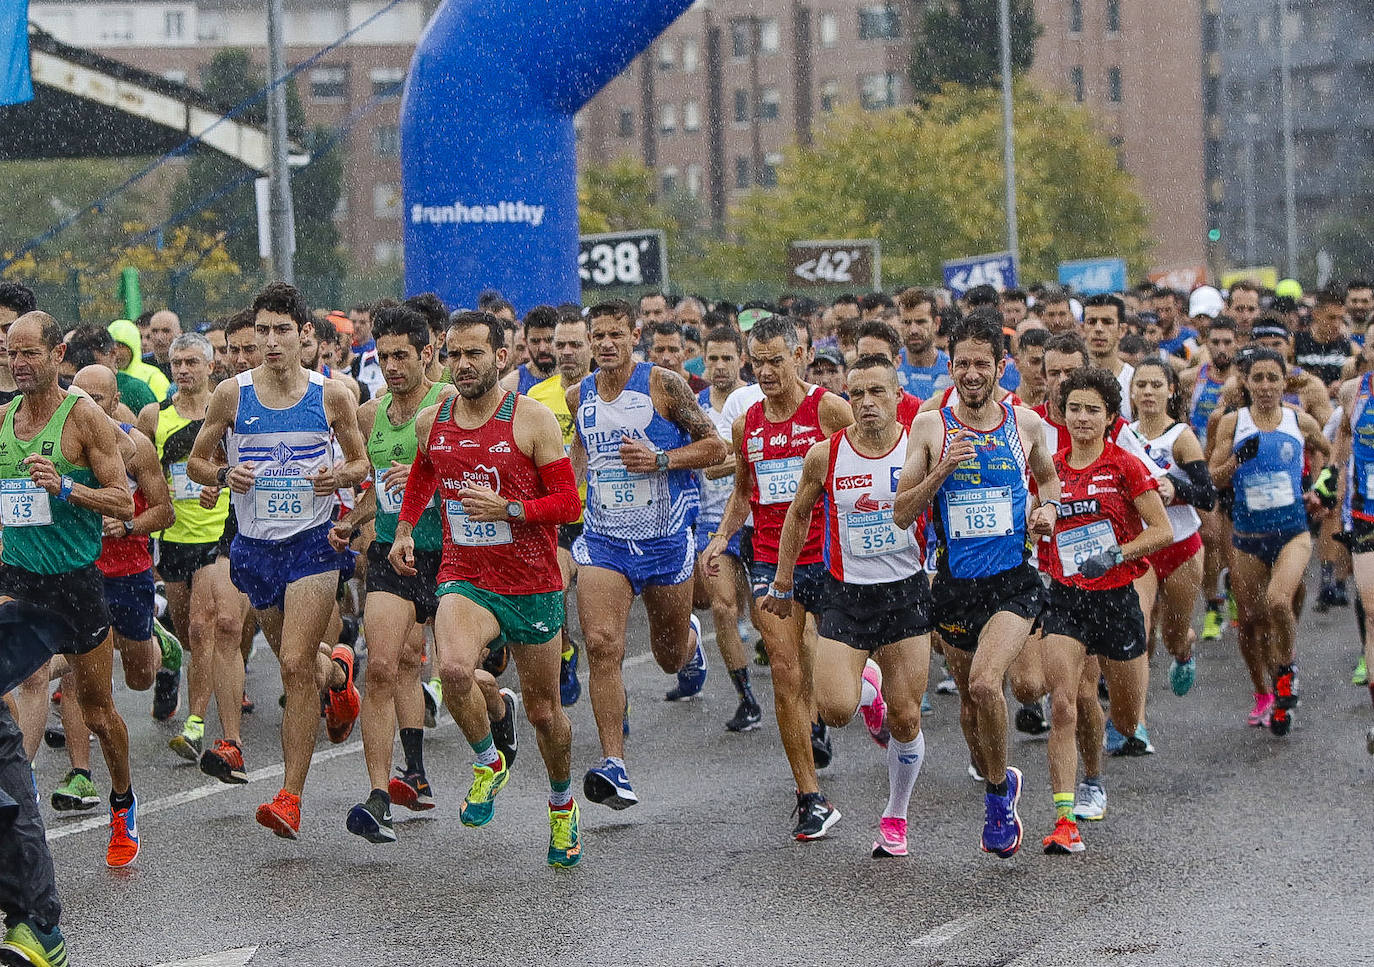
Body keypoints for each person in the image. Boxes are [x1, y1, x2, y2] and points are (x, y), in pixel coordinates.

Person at [387, 310, 584, 864]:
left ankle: (563, 805)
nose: (464, 364)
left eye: (475, 353)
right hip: (466, 575)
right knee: (451, 670)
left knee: (546, 713)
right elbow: (427, 470)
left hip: (531, 582)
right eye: (455, 354)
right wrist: (404, 529)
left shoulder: (533, 421)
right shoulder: (434, 418)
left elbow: (567, 504)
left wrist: (511, 509)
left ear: (502, 357)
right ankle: (487, 760)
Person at [187, 282, 369, 838]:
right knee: (300, 659)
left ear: (304, 335)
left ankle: (289, 796)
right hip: (255, 547)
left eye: (280, 331)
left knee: (292, 665)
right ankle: (339, 674)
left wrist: (337, 476)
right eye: (261, 331)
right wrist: (223, 475)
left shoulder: (331, 395)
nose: (269, 342)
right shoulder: (232, 395)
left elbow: (361, 465)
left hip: (312, 544)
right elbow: (196, 463)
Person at [893, 310, 1061, 858]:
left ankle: (995, 797)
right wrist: (941, 470)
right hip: (954, 586)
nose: (970, 373)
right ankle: (1000, 778)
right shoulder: (929, 425)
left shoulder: (1026, 424)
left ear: (1000, 367)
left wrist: (1048, 513)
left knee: (991, 685)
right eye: (961, 362)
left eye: (981, 364)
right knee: (970, 702)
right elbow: (901, 511)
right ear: (950, 364)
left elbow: (1048, 478)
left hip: (1012, 581)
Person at [763, 355, 930, 858]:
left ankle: (895, 817)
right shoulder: (827, 454)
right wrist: (783, 580)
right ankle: (868, 689)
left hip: (906, 593)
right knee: (834, 710)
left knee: (906, 720)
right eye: (857, 395)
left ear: (898, 396)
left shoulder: (917, 447)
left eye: (877, 392)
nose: (866, 404)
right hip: (848, 594)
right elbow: (797, 515)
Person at [568, 300, 727, 809]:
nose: (606, 344)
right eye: (599, 336)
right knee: (601, 644)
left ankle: (690, 641)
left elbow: (715, 447)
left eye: (616, 334)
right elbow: (580, 457)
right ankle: (614, 763)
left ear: (633, 335)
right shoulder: (579, 396)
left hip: (664, 543)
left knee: (667, 657)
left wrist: (662, 459)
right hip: (604, 541)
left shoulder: (664, 384)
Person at [704, 316, 854, 839]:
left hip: (831, 559)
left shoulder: (830, 410)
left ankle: (856, 698)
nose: (765, 372)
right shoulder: (748, 422)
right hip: (771, 563)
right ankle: (809, 796)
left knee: (836, 699)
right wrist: (723, 536)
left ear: (799, 356)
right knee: (786, 676)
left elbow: (864, 472)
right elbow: (744, 491)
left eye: (775, 361)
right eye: (758, 362)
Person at [0, 312, 137, 867]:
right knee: (21, 679)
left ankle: (123, 805)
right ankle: (20, 787)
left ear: (58, 355)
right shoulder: (3, 419)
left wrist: (66, 487)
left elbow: (124, 501)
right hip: (16, 575)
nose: (19, 363)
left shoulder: (82, 418)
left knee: (100, 711)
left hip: (75, 582)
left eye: (30, 352)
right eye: (12, 353)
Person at [1039, 367, 1172, 855]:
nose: (1082, 418)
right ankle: (1065, 813)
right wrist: (1038, 529)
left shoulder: (1124, 466)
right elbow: (1038, 526)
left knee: (1125, 717)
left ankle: (1098, 769)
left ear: (1111, 417)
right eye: (1074, 408)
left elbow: (1161, 531)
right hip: (1065, 597)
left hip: (1116, 597)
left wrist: (1118, 553)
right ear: (1062, 413)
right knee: (1062, 702)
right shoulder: (1049, 468)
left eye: (1093, 409)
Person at [49, 365, 177, 818]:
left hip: (129, 571)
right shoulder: (63, 440)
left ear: (115, 399)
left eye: (98, 399)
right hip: (80, 571)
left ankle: (162, 645)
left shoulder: (134, 445)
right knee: (75, 677)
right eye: (79, 396)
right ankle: (81, 773)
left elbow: (165, 512)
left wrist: (126, 526)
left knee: (138, 678)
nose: (88, 407)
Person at [1209, 348, 1331, 735]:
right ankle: (1264, 694)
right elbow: (1214, 476)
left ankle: (1286, 670)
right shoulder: (1233, 423)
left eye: (1272, 378)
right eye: (1257, 378)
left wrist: (1320, 490)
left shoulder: (1299, 420)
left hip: (1293, 533)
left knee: (1279, 602)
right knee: (1249, 624)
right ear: (1245, 382)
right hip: (1246, 538)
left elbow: (1329, 453)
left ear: (1284, 383)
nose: (1264, 386)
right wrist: (1235, 462)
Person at [135, 333, 239, 768]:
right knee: (191, 635)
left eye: (192, 362)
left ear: (211, 366)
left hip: (224, 535)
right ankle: (179, 666)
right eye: (176, 363)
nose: (182, 370)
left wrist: (226, 482)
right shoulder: (154, 417)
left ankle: (197, 724)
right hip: (176, 537)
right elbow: (137, 469)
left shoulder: (230, 409)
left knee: (206, 626)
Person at [1129, 358, 1216, 696]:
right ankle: (1134, 719)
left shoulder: (1181, 437)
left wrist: (1176, 489)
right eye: (1141, 385)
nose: (1148, 392)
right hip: (1143, 547)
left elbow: (1208, 496)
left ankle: (1184, 650)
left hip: (1181, 546)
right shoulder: (1123, 435)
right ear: (1132, 392)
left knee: (1173, 635)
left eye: (1155, 385)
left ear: (1171, 390)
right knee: (1141, 628)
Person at [693, 325, 762, 732]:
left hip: (754, 517)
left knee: (764, 619)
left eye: (727, 358)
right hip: (710, 523)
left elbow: (722, 461)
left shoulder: (755, 399)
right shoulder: (694, 405)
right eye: (712, 358)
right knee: (722, 607)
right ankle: (747, 699)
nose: (719, 366)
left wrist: (727, 460)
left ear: (742, 360)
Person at [526, 309, 593, 706]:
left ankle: (611, 687)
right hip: (560, 515)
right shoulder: (537, 397)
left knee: (597, 612)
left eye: (575, 344)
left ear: (590, 347)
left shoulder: (605, 392)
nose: (566, 352)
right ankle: (565, 652)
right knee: (558, 586)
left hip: (602, 515)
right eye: (560, 344)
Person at [1183, 318, 1239, 640]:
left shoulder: (1244, 383)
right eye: (1215, 342)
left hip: (1233, 474)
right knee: (1210, 539)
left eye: (1227, 342)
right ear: (1206, 343)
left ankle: (1232, 591)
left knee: (1232, 545)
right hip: (1201, 471)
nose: (1220, 348)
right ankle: (1213, 606)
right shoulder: (1192, 379)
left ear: (1236, 343)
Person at [1333, 327, 1374, 753]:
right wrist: (1334, 472)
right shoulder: (1351, 390)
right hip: (1367, 514)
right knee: (1373, 607)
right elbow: (1344, 432)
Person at [894, 288, 952, 400]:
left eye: (920, 322)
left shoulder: (952, 372)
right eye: (906, 323)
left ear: (936, 323)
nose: (913, 330)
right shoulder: (890, 368)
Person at [107, 318, 171, 402]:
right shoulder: (99, 376)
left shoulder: (153, 376)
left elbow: (165, 411)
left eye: (121, 346)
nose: (116, 352)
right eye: (112, 347)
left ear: (133, 348)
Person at [504, 304, 558, 394]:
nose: (542, 349)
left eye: (549, 340)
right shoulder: (511, 385)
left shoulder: (573, 380)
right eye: (535, 341)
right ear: (526, 341)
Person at [142, 310, 180, 379]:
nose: (159, 337)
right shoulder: (142, 364)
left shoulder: (185, 365)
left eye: (166, 331)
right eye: (154, 331)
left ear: (179, 334)